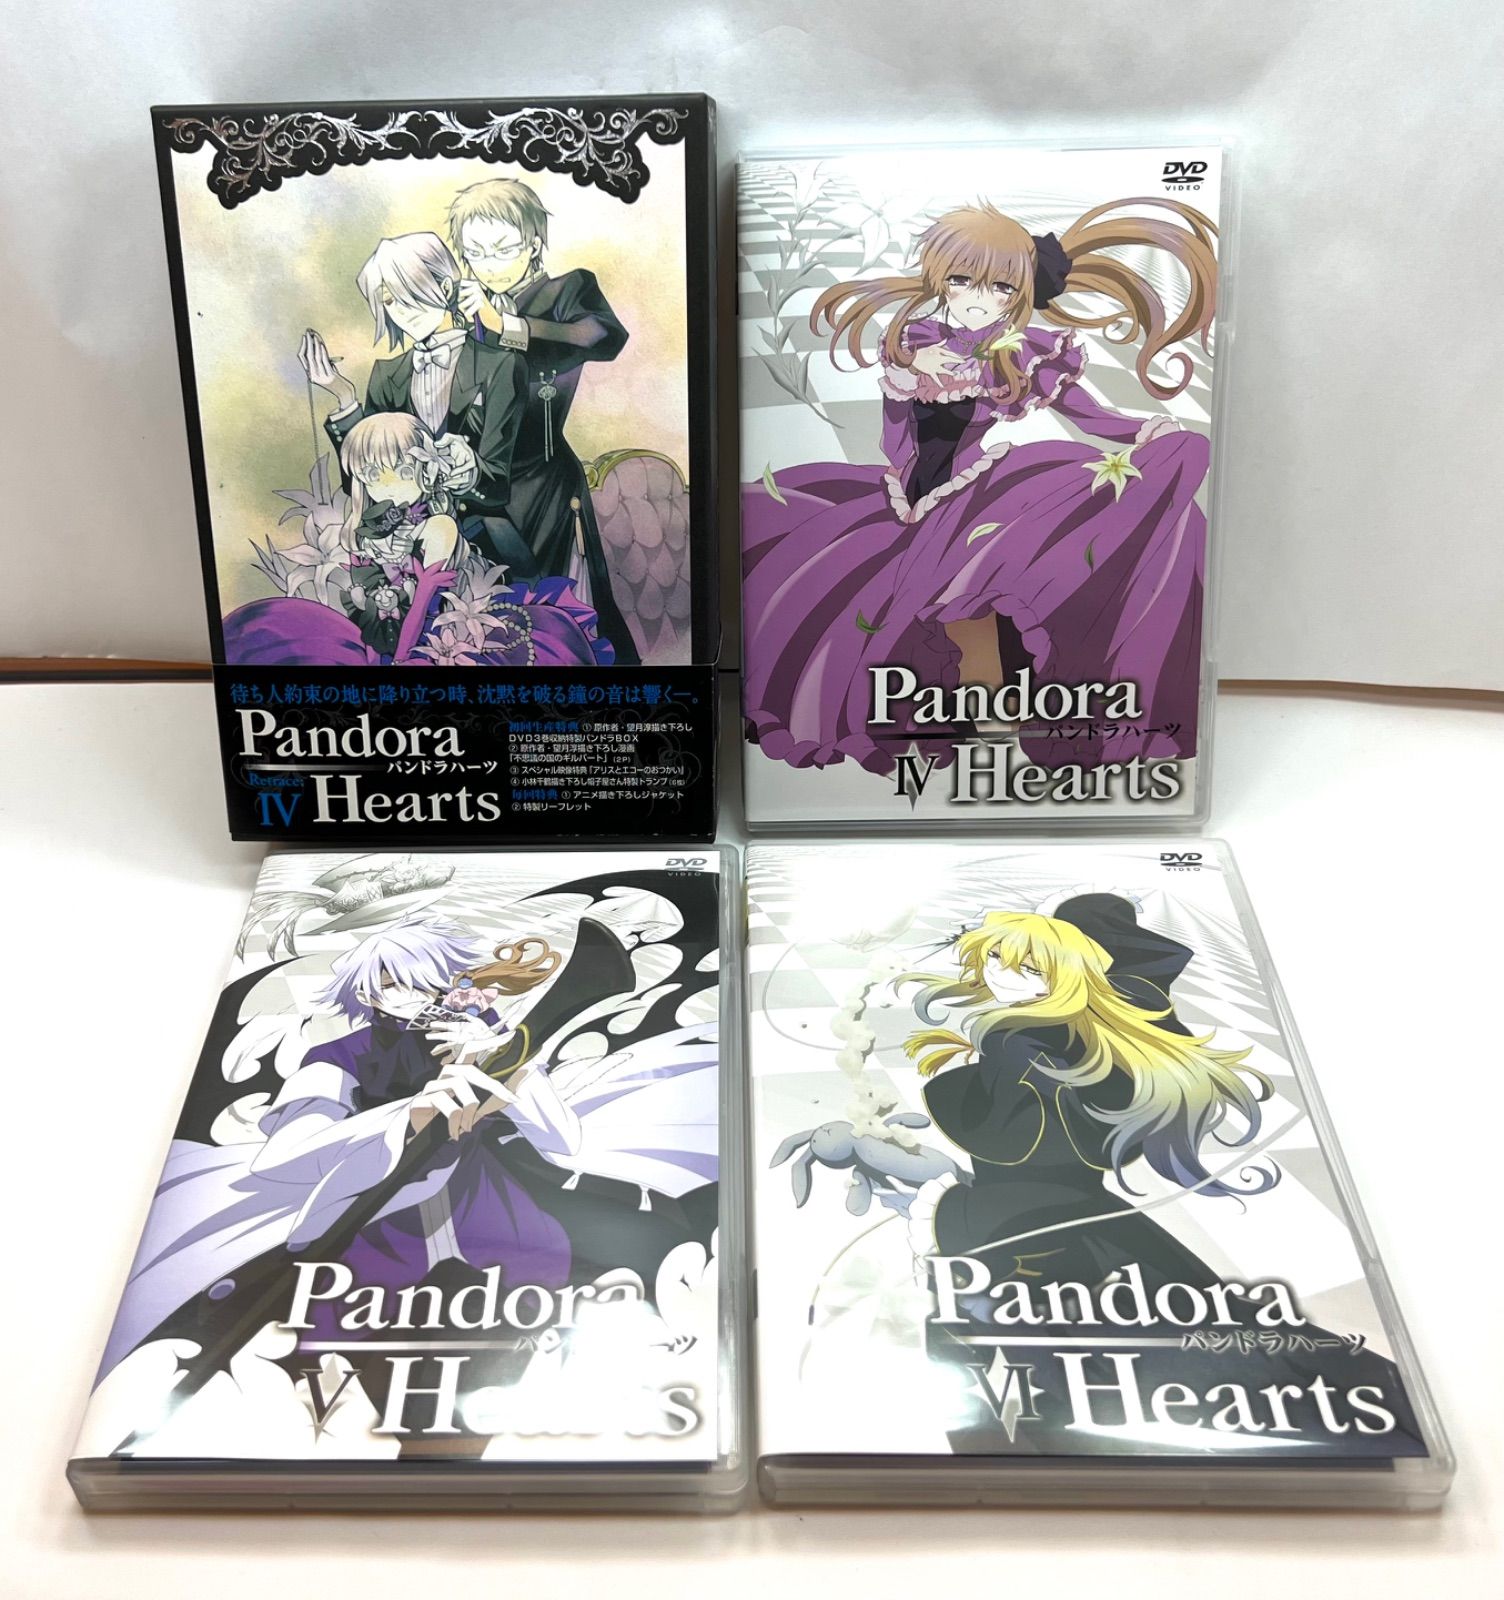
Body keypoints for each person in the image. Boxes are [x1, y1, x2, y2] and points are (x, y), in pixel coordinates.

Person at [742, 198, 1217, 773]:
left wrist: (1146, 431)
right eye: (962, 281)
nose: (977, 298)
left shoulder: (1023, 353)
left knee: (994, 570)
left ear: (1019, 293)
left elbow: (1088, 415)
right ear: (939, 278)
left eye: (1000, 288)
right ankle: (955, 707)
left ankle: (1018, 705)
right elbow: (895, 441)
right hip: (906, 497)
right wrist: (908, 393)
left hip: (971, 492)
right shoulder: (915, 343)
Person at [447, 178, 639, 663]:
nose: (490, 264)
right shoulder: (462, 306)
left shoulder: (566, 289)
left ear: (533, 243)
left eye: (503, 249)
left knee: (554, 612)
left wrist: (509, 327)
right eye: (475, 252)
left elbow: (604, 337)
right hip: (473, 486)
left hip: (543, 484)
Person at [299, 231, 532, 579]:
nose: (401, 312)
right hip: (400, 542)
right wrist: (344, 397)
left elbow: (497, 482)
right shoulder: (387, 374)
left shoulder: (500, 365)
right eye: (389, 301)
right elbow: (365, 477)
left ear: (446, 288)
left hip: (481, 539)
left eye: (410, 294)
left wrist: (468, 469)